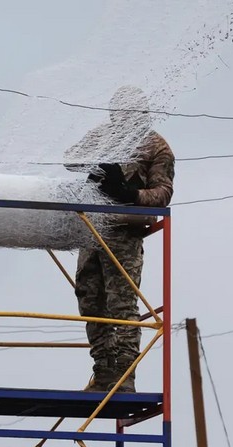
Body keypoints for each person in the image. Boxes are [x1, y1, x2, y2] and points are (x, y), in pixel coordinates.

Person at [63, 86, 174, 392]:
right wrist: (97, 163)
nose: (123, 119)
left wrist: (129, 193)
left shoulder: (156, 146)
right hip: (93, 230)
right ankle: (103, 371)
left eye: (128, 114)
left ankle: (123, 376)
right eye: (119, 114)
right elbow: (70, 158)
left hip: (125, 233)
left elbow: (163, 193)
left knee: (121, 303)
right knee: (89, 298)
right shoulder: (105, 136)